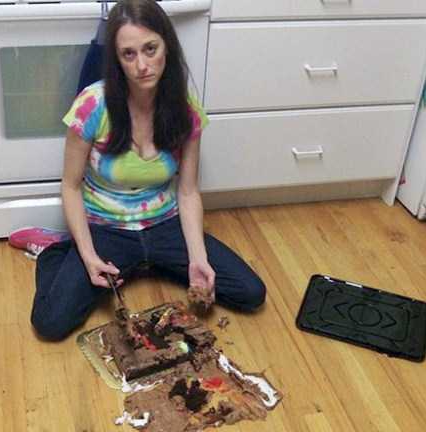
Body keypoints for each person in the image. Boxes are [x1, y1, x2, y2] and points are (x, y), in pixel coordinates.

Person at [31, 0, 265, 341]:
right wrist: (88, 255)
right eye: (128, 54)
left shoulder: (186, 110)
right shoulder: (93, 105)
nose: (142, 65)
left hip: (165, 224)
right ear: (117, 59)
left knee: (250, 292)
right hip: (106, 227)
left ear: (166, 46)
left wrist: (197, 258)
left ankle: (150, 263)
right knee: (50, 322)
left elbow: (188, 191)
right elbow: (70, 186)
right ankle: (58, 253)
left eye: (150, 49)